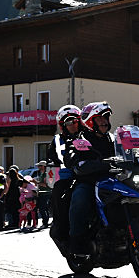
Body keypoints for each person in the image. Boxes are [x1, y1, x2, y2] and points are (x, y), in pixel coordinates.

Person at [64, 101, 117, 259]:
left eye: (106, 118)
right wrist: (77, 161)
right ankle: (78, 245)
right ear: (90, 121)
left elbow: (131, 151)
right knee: (80, 198)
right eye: (100, 118)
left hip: (113, 181)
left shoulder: (114, 139)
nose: (104, 121)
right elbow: (71, 155)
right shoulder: (81, 139)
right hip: (90, 182)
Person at [48, 105, 81, 253]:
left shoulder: (90, 135)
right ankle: (62, 234)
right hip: (70, 178)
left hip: (92, 174)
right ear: (63, 126)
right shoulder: (57, 141)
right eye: (68, 123)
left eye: (75, 121)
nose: (73, 125)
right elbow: (53, 162)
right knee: (60, 194)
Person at [33, 160, 51, 228]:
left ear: (43, 166)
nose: (38, 167)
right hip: (42, 193)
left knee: (42, 209)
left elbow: (46, 185)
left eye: (40, 166)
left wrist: (36, 182)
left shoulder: (46, 174)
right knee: (44, 209)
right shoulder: (41, 174)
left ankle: (45, 223)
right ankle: (45, 222)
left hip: (46, 193)